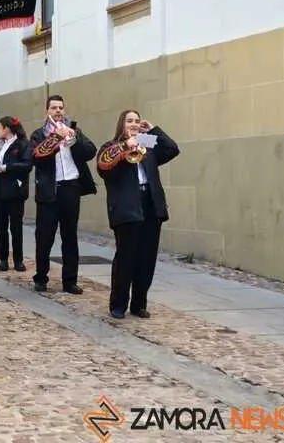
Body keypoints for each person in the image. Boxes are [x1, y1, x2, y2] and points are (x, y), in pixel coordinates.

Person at [97, 110, 179, 319]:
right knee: (126, 258)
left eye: (136, 121)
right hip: (127, 207)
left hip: (150, 205)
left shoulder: (146, 142)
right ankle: (118, 304)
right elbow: (103, 166)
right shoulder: (111, 146)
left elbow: (171, 149)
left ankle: (139, 303)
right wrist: (125, 146)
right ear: (121, 124)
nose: (133, 124)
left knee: (147, 258)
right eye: (129, 121)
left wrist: (153, 130)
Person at [26, 95, 97, 294]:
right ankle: (41, 277)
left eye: (61, 108)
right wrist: (56, 138)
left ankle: (70, 280)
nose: (58, 111)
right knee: (44, 236)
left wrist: (74, 138)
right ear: (47, 111)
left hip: (71, 187)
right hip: (50, 189)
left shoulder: (74, 130)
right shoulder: (39, 134)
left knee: (70, 236)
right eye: (54, 107)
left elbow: (90, 151)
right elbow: (35, 158)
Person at [0, 116, 30, 272]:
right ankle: (3, 258)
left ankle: (18, 260)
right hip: (0, 191)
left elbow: (27, 165)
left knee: (16, 227)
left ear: (7, 128)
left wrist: (7, 167)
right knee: (0, 227)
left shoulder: (22, 144)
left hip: (15, 192)